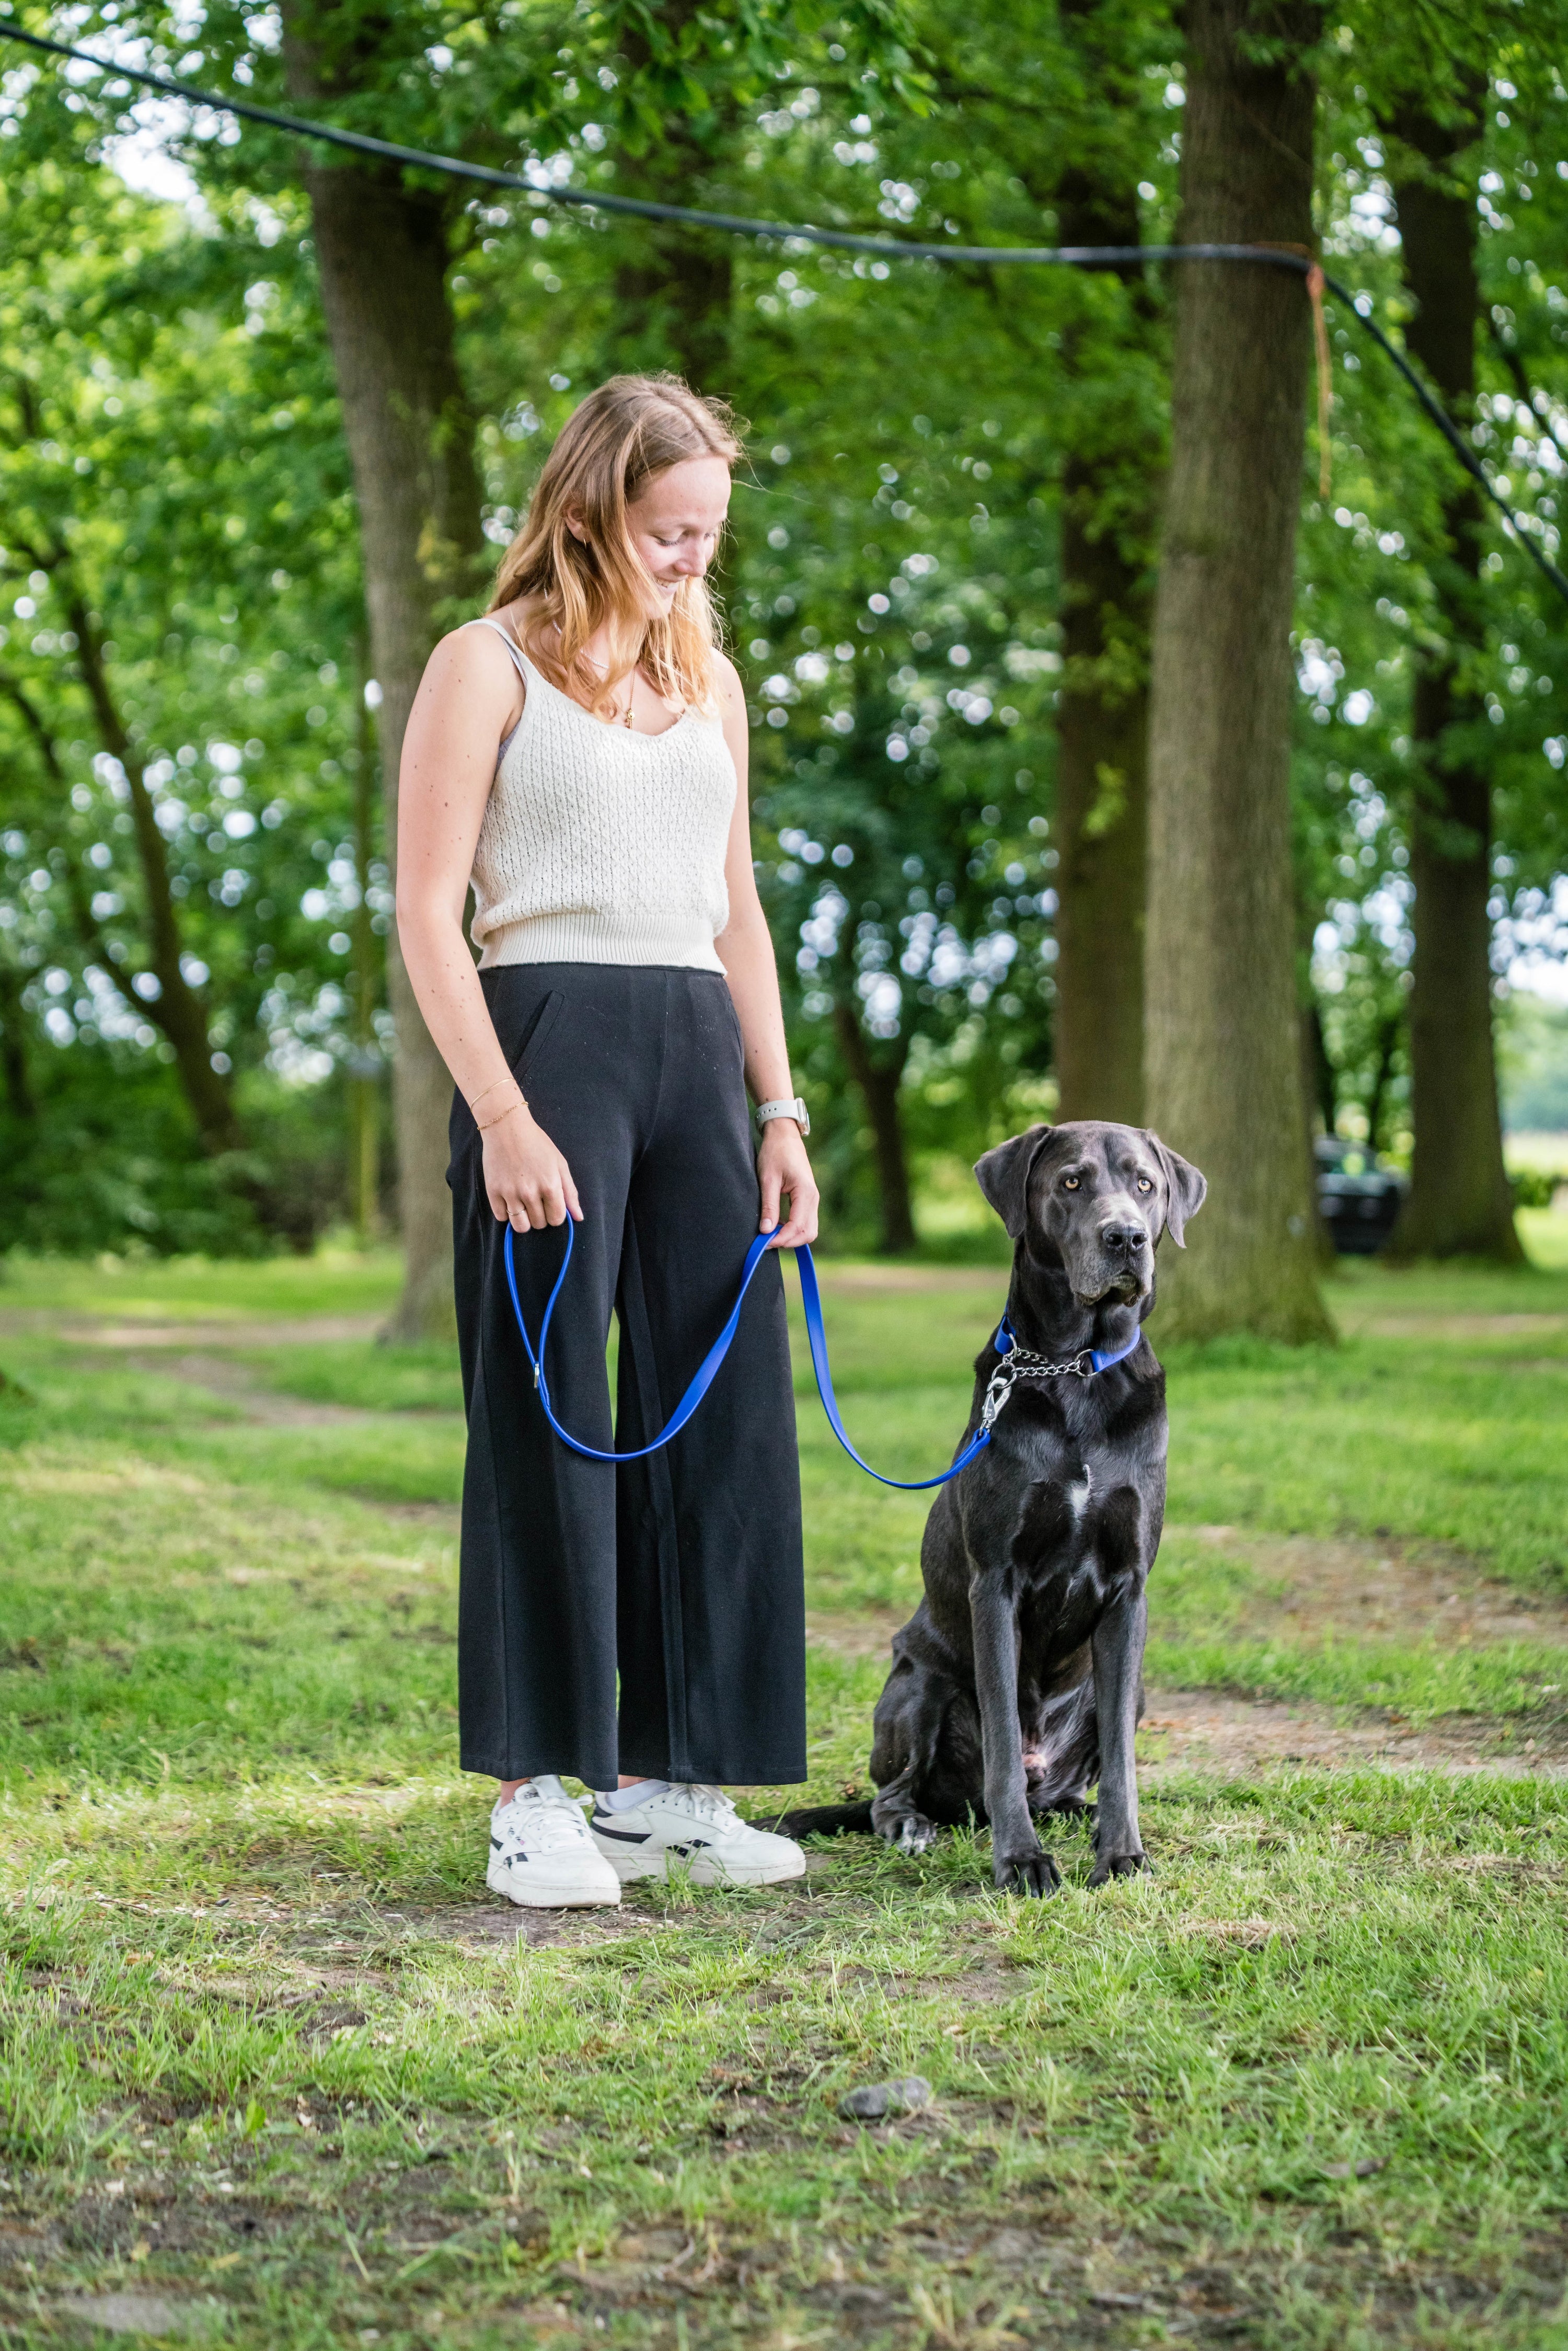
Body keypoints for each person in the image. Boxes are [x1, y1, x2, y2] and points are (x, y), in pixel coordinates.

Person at [397, 374, 818, 1909]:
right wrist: (502, 1110)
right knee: (545, 1408)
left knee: (725, 1418)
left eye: (708, 529)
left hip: (702, 1042)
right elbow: (427, 913)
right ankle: (535, 1793)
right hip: (545, 1036)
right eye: (667, 529)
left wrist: (780, 1109)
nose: (694, 556)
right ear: (593, 507)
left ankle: (676, 1780)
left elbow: (741, 910)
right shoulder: (484, 663)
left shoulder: (713, 679)